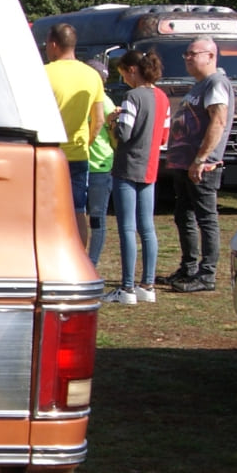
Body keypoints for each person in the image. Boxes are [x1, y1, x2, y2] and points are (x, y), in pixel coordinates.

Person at [162, 38, 234, 292]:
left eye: (192, 54)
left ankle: (207, 275)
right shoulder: (200, 85)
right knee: (185, 216)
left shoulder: (215, 83)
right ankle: (189, 268)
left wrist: (202, 158)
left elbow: (218, 122)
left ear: (210, 56)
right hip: (186, 164)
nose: (187, 58)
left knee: (206, 218)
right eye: (186, 54)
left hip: (202, 166)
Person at [103, 49, 170, 304]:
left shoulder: (132, 96)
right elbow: (164, 136)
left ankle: (127, 287)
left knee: (127, 228)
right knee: (147, 228)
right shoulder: (162, 97)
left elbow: (125, 133)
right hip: (150, 167)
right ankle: (148, 284)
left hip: (128, 167)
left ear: (132, 70)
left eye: (123, 74)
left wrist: (113, 122)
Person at [43, 24, 108, 249]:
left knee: (47, 213)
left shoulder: (44, 73)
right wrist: (87, 142)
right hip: (78, 154)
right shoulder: (92, 75)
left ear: (53, 44)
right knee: (78, 211)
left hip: (48, 153)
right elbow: (98, 119)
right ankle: (80, 259)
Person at [84, 57, 117, 269]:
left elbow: (114, 139)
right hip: (82, 165)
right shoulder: (85, 101)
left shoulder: (105, 103)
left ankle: (92, 262)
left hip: (100, 168)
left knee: (96, 219)